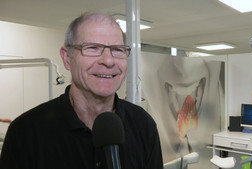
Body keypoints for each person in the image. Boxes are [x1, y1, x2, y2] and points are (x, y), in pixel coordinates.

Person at [0, 12, 164, 169]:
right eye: (92, 47)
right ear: (67, 58)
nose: (108, 60)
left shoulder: (143, 124)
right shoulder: (25, 132)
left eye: (117, 49)